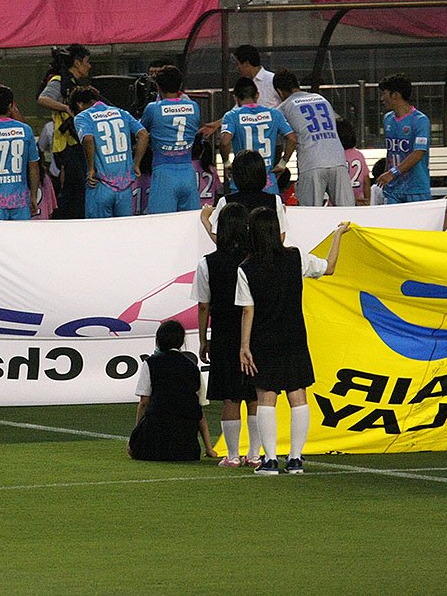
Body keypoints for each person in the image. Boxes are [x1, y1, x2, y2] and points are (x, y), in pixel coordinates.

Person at [239, 210, 350, 474]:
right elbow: (329, 267)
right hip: (294, 337)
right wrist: (338, 235)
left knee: (266, 397)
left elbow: (247, 311)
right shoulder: (295, 257)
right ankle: (296, 459)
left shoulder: (246, 268)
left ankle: (269, 460)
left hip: (263, 339)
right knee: (298, 396)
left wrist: (244, 346)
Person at [191, 203, 261, 467]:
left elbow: (203, 305)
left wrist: (202, 340)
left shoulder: (207, 263)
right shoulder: (256, 259)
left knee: (231, 396)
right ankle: (255, 455)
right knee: (255, 395)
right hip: (254, 332)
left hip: (223, 334)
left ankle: (232, 456)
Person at [128, 320, 218, 461]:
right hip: (187, 447)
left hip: (154, 444)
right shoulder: (193, 368)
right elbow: (199, 411)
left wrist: (135, 436)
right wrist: (209, 448)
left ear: (158, 340)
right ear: (182, 341)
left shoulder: (150, 363)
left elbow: (144, 402)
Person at [272, 70, 354, 207]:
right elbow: (339, 122)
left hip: (311, 163)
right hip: (338, 160)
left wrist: (282, 163)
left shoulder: (284, 108)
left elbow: (291, 139)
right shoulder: (321, 99)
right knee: (346, 212)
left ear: (280, 92)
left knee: (310, 212)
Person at [71, 87, 146, 218]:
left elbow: (88, 138)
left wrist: (91, 168)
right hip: (125, 185)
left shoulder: (83, 116)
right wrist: (136, 164)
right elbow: (143, 134)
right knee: (124, 228)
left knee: (98, 229)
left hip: (100, 184)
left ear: (79, 104)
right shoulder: (121, 112)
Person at [37, 44, 92, 219]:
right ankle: (62, 218)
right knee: (74, 186)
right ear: (77, 63)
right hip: (66, 143)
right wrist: (66, 108)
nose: (89, 66)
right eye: (86, 62)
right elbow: (43, 99)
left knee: (77, 185)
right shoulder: (60, 81)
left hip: (76, 141)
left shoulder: (74, 83)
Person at [137, 66, 201, 213]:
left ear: (158, 86)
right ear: (180, 85)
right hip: (188, 172)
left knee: (161, 223)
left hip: (164, 172)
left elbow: (140, 133)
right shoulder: (194, 107)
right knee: (190, 221)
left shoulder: (153, 108)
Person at [219, 77, 295, 194]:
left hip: (241, 182)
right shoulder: (274, 114)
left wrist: (226, 163)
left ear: (236, 98)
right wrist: (282, 163)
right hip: (267, 183)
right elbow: (292, 138)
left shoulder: (232, 116)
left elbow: (225, 142)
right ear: (257, 95)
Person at [0, 86, 40, 220]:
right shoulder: (26, 130)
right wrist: (33, 196)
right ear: (10, 106)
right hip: (20, 201)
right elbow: (34, 166)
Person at [203, 150, 288, 244]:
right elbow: (280, 239)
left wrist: (205, 219)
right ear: (262, 173)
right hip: (266, 253)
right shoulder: (275, 200)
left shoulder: (225, 201)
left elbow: (220, 240)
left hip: (236, 253)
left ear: (236, 175)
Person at [375, 73, 431, 204]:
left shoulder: (420, 120)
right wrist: (386, 174)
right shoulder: (388, 119)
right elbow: (390, 152)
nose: (382, 98)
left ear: (395, 95)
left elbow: (418, 153)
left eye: (384, 93)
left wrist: (392, 173)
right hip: (393, 189)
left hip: (415, 188)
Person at [337, 119, 370, 206]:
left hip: (340, 201)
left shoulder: (335, 156)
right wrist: (367, 200)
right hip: (359, 200)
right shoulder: (359, 155)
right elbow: (366, 181)